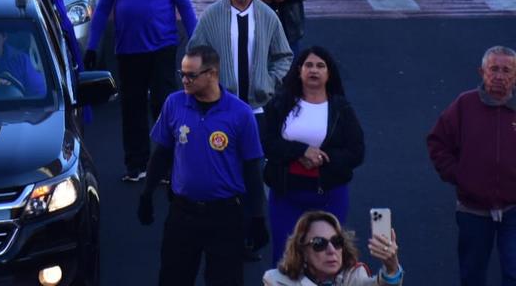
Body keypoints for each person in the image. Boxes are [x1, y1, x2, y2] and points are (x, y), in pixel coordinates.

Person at [137, 45, 269, 286]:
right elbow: (162, 153)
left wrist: (257, 216)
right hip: (182, 213)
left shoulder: (240, 114)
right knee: (173, 279)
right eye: (182, 74)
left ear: (212, 74)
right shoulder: (174, 104)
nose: (184, 80)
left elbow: (252, 169)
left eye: (191, 75)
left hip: (226, 215)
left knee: (225, 280)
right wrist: (146, 194)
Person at [84, 0, 198, 182]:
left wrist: (196, 42)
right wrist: (92, 46)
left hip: (162, 48)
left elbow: (185, 6)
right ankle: (136, 164)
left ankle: (168, 165)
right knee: (132, 108)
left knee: (163, 106)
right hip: (128, 50)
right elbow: (101, 10)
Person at [262, 47, 365, 266]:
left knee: (325, 258)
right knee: (285, 258)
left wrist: (321, 159)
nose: (314, 70)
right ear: (299, 71)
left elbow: (356, 152)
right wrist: (300, 152)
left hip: (329, 196)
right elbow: (268, 143)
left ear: (329, 74)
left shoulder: (341, 108)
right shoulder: (280, 104)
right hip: (286, 195)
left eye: (320, 66)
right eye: (309, 65)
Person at [427, 45, 516, 286]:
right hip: (473, 209)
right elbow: (437, 142)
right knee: (472, 276)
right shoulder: (464, 105)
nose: (499, 76)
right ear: (482, 72)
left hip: (513, 208)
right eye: (493, 69)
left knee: (513, 273)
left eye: (506, 70)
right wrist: (459, 175)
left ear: (515, 75)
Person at [264, 211, 403, 285]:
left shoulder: (355, 277)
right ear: (302, 251)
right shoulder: (276, 281)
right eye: (319, 243)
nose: (331, 250)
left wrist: (392, 269)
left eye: (337, 242)